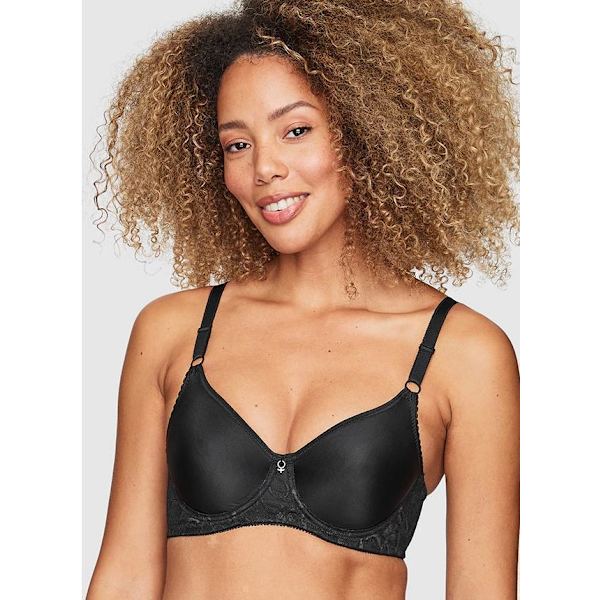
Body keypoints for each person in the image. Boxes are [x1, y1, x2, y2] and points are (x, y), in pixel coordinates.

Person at [87, 0, 519, 598]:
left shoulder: (462, 353)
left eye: (296, 130)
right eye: (237, 145)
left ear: (366, 129)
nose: (265, 168)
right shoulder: (173, 332)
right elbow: (124, 578)